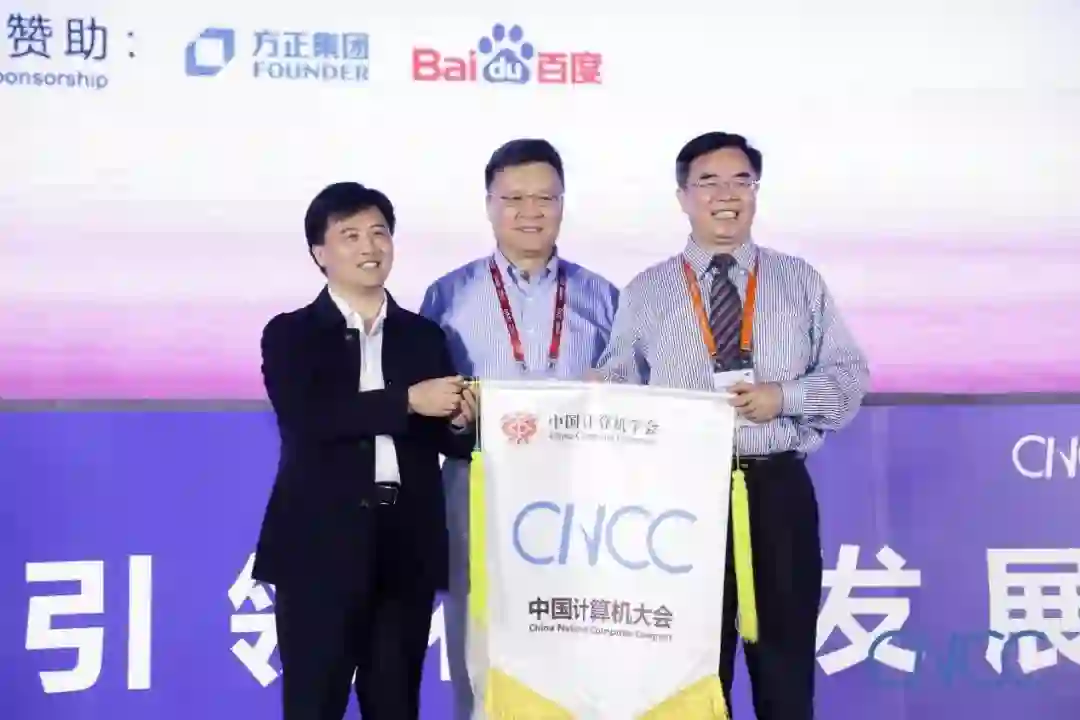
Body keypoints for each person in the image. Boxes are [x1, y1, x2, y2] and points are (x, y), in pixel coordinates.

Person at [595, 132, 869, 719]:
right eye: (709, 182)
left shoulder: (798, 281)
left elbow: (849, 378)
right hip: (679, 498)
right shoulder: (647, 291)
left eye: (741, 181)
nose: (727, 195)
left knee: (784, 669)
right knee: (690, 672)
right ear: (682, 197)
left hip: (776, 489)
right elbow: (618, 384)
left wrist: (784, 397)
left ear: (755, 192)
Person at [252, 182, 479, 720]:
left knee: (395, 705)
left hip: (404, 547)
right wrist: (408, 400)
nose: (369, 246)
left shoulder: (423, 336)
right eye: (349, 235)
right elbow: (310, 417)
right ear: (320, 252)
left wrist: (459, 423)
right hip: (319, 549)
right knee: (313, 704)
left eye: (379, 233)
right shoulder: (291, 334)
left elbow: (442, 439)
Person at [419, 138, 619, 718]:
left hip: (579, 496)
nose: (530, 211)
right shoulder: (448, 295)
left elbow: (632, 395)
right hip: (480, 488)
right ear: (489, 204)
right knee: (480, 643)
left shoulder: (603, 297)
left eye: (544, 198)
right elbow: (430, 402)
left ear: (563, 203)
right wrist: (459, 417)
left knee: (576, 643)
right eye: (513, 198)